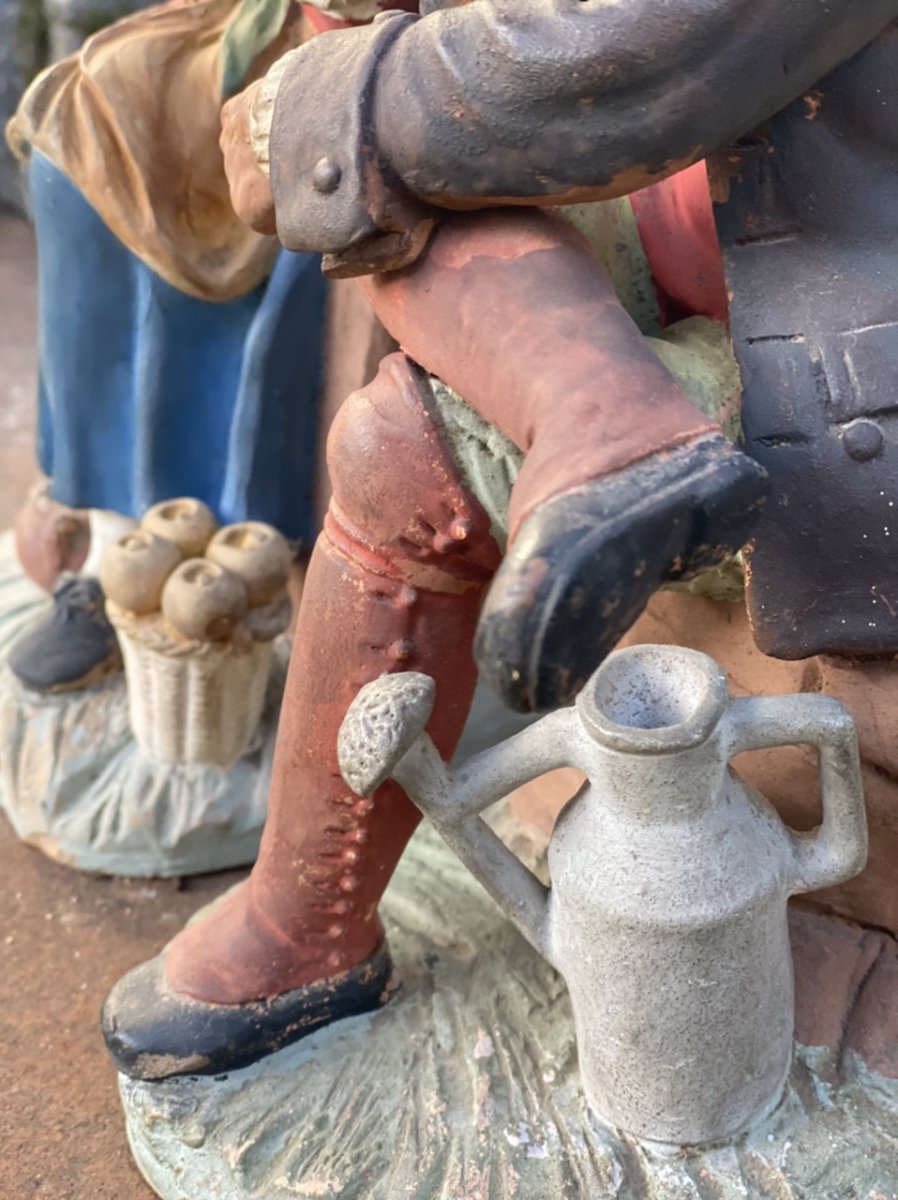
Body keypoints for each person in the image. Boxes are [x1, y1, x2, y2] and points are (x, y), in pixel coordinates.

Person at [101, 0, 898, 1079]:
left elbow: (626, 64)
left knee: (375, 158)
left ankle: (608, 425)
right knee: (398, 346)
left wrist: (324, 110)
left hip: (838, 370)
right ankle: (604, 421)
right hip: (675, 304)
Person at [4, 0, 327, 692]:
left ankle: (231, 550)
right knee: (70, 125)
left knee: (109, 138)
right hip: (258, 20)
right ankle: (114, 544)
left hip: (363, 51)